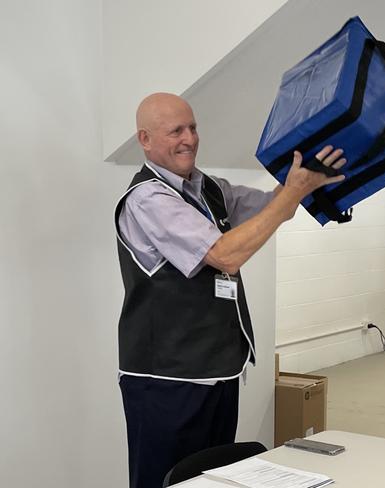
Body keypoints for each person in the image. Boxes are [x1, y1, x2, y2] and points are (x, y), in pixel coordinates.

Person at [115, 92, 346, 488]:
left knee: (214, 479)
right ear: (145, 140)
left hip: (219, 370)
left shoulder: (210, 188)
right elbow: (226, 254)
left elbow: (272, 208)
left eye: (193, 127)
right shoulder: (147, 198)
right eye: (176, 131)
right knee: (165, 481)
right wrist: (291, 196)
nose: (189, 138)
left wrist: (302, 183)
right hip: (168, 381)